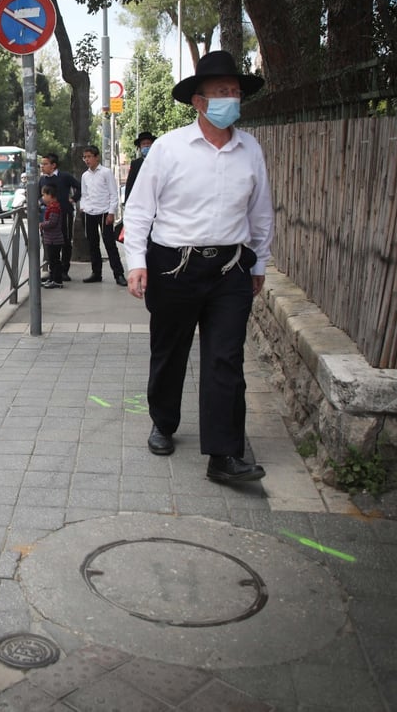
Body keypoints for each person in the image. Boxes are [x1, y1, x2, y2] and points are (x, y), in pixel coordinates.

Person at [122, 50, 274, 484]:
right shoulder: (169, 149)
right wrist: (137, 264)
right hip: (174, 266)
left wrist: (259, 260)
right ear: (199, 102)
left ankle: (224, 455)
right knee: (170, 351)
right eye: (222, 92)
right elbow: (138, 211)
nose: (231, 99)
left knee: (225, 358)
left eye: (236, 92)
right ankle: (164, 422)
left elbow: (261, 212)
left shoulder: (250, 150)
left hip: (231, 268)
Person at [78, 145, 126, 286]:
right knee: (93, 244)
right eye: (85, 157)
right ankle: (96, 273)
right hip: (89, 212)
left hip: (104, 212)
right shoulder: (85, 176)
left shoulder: (106, 173)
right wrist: (83, 207)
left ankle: (119, 274)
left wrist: (111, 212)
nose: (87, 160)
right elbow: (84, 194)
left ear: (96, 157)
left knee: (109, 244)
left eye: (89, 157)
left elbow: (113, 193)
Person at [38, 153, 80, 280]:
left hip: (64, 213)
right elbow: (38, 195)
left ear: (53, 165)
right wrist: (40, 203)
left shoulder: (64, 176)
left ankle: (64, 270)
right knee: (49, 242)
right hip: (48, 215)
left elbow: (79, 187)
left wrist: (73, 199)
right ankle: (53, 272)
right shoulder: (42, 179)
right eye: (42, 164)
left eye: (45, 164)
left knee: (65, 241)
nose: (42, 166)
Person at [38, 185, 66, 288]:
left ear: (50, 195)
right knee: (51, 260)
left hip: (54, 239)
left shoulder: (54, 208)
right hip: (51, 238)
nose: (43, 197)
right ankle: (52, 278)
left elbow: (52, 223)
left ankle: (57, 280)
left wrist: (42, 225)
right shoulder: (51, 206)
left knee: (55, 260)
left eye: (44, 195)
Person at [124, 131, 156, 202]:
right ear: (140, 147)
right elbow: (130, 184)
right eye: (143, 144)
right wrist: (127, 202)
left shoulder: (159, 161)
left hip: (156, 200)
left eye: (148, 143)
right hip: (141, 201)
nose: (146, 146)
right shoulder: (135, 164)